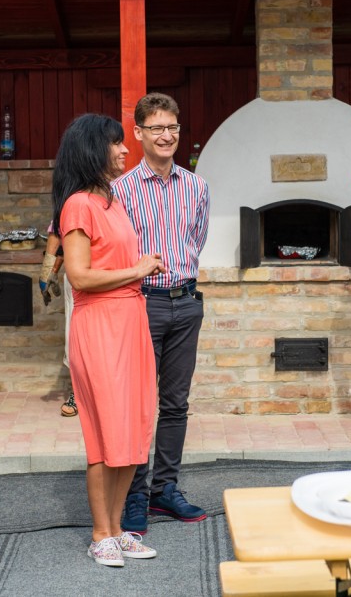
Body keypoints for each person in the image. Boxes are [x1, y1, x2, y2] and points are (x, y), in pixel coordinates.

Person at [52, 113, 160, 567]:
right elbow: (79, 276)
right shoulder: (78, 205)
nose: (125, 149)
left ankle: (118, 529)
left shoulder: (113, 200)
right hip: (100, 326)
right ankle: (101, 534)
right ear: (93, 149)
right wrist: (137, 269)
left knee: (134, 428)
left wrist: (138, 271)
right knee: (105, 432)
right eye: (116, 143)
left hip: (131, 320)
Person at [113, 92, 210, 534]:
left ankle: (164, 490)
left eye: (172, 127)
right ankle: (134, 494)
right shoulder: (120, 191)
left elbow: (196, 241)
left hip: (186, 302)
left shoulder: (197, 187)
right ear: (138, 133)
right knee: (138, 405)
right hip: (142, 303)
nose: (166, 135)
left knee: (175, 404)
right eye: (156, 128)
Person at [39, 228, 76, 417]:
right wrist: (49, 271)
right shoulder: (69, 209)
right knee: (75, 337)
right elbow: (59, 233)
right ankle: (78, 393)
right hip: (78, 278)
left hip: (108, 276)